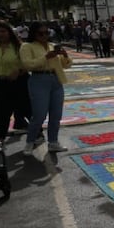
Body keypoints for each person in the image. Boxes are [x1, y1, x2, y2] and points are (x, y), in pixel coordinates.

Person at [19, 21, 72, 154]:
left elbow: (66, 65)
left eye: (47, 33)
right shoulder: (27, 46)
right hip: (38, 79)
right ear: (34, 34)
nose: (44, 36)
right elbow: (27, 65)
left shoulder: (51, 46)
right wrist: (46, 57)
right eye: (40, 33)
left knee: (56, 115)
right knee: (39, 115)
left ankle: (53, 142)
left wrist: (65, 56)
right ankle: (30, 141)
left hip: (56, 80)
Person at [0, 20, 29, 136]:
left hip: (18, 82)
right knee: (0, 113)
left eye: (3, 31)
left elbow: (28, 64)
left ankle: (36, 133)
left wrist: (19, 71)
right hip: (0, 83)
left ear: (9, 32)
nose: (0, 34)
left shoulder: (20, 47)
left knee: (26, 109)